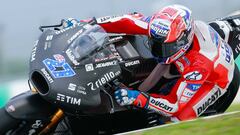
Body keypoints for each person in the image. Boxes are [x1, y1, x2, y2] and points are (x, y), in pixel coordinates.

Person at [63, 5, 237, 121]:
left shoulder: (199, 65)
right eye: (155, 43)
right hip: (183, 58)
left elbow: (174, 105)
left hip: (215, 80)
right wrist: (84, 24)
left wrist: (137, 98)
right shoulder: (160, 27)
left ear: (184, 40)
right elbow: (124, 21)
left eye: (166, 47)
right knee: (154, 64)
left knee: (177, 120)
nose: (159, 50)